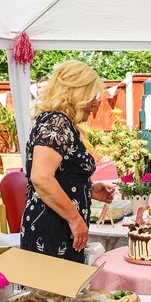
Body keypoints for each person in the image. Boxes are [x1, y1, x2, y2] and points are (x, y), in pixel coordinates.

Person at [21, 61, 115, 263]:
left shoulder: (59, 123)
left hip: (59, 226)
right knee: (51, 293)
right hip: (52, 229)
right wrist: (74, 219)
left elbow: (61, 176)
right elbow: (41, 178)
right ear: (75, 93)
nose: (96, 103)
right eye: (91, 96)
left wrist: (88, 190)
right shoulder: (56, 123)